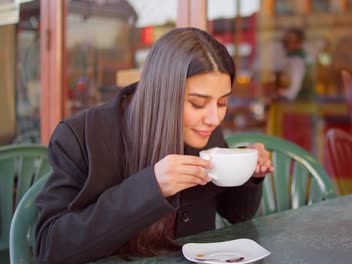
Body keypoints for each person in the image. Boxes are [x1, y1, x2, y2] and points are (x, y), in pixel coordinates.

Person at [34, 27, 274, 264]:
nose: (214, 118)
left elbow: (237, 214)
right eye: (198, 104)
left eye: (222, 102)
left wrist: (248, 174)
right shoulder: (80, 136)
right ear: (162, 94)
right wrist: (151, 187)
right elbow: (50, 247)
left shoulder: (204, 130)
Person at [276, 28, 314, 102]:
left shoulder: (296, 60)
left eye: (290, 41)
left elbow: (293, 90)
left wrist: (282, 93)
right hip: (304, 103)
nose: (286, 44)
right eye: (286, 41)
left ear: (299, 42)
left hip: (299, 105)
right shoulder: (304, 57)